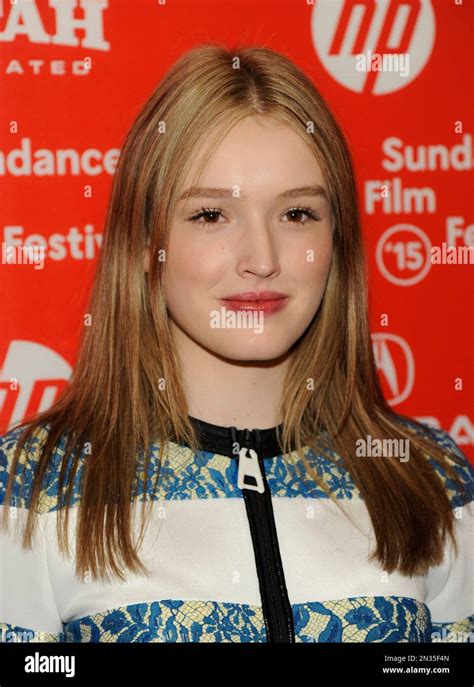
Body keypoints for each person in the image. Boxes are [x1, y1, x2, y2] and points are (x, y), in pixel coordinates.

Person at [0, 43, 472, 644]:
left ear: (339, 241)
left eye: (298, 213)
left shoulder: (431, 482)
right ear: (146, 241)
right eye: (211, 215)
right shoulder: (29, 489)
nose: (263, 261)